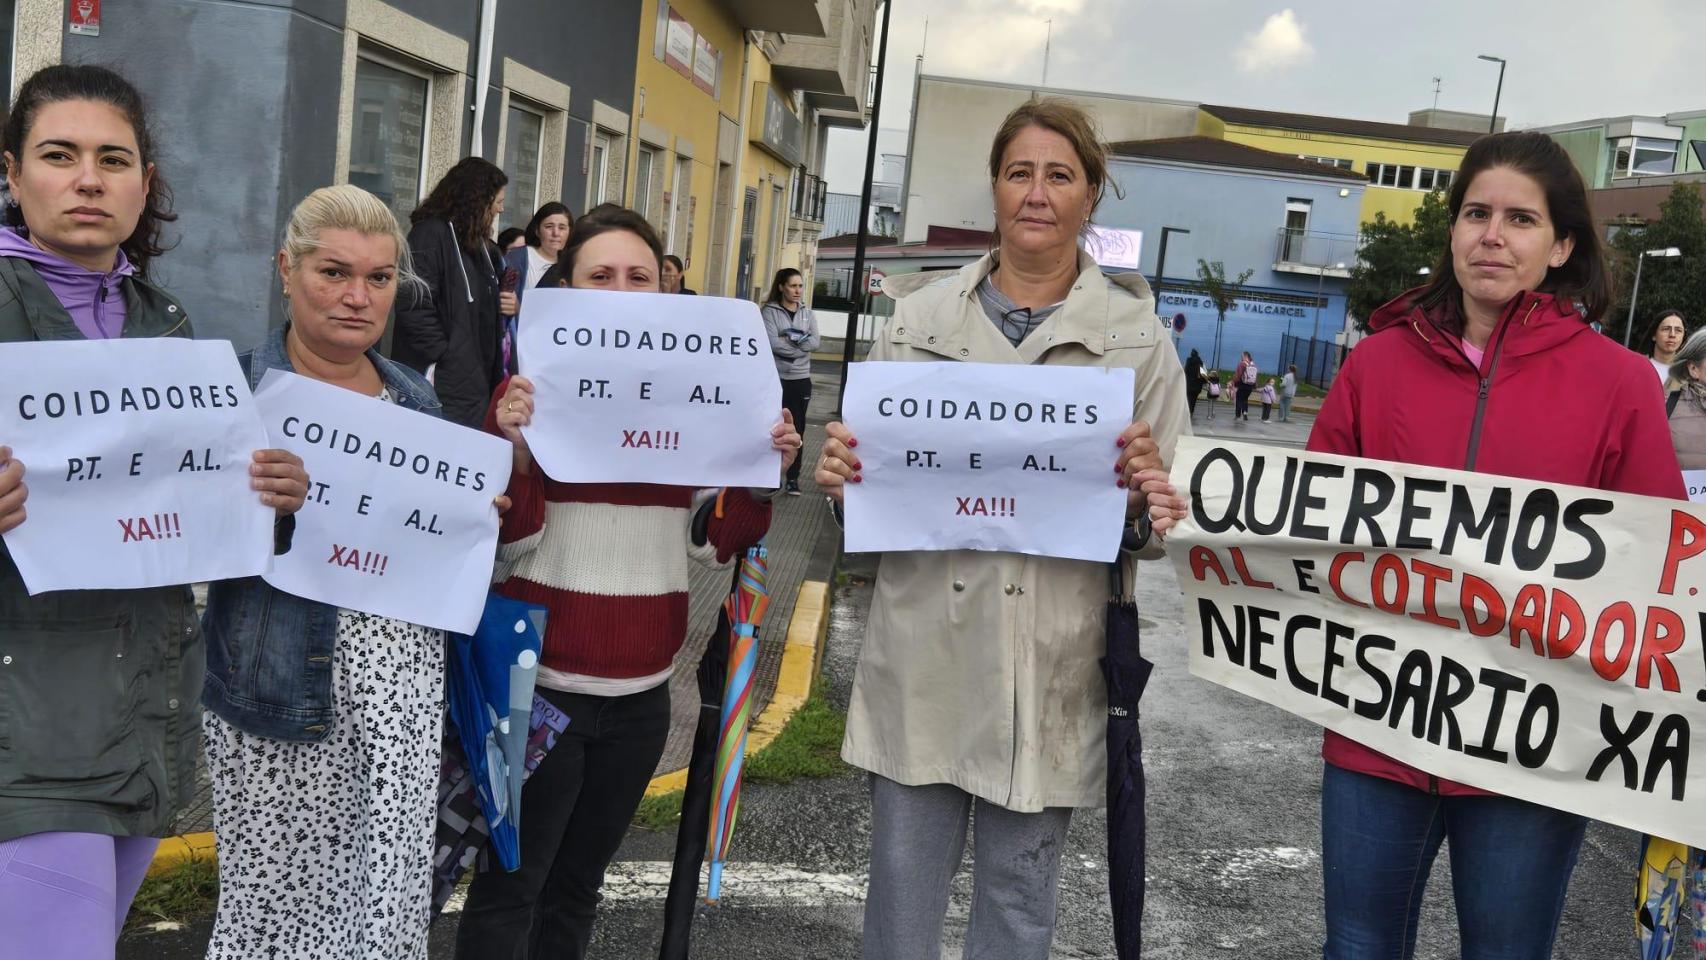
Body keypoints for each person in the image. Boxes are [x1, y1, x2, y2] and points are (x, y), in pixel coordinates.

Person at [815, 98, 1189, 960]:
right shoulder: (916, 322)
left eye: (1060, 175)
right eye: (1020, 172)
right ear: (994, 187)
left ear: (1091, 195)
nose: (1037, 193)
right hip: (925, 656)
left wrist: (1145, 504)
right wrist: (841, 487)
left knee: (1020, 910)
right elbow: (867, 501)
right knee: (899, 907)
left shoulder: (1138, 342)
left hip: (1050, 665)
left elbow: (1161, 519)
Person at [1308, 130, 1685, 958]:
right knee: (1357, 948)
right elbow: (1297, 526)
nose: (1493, 235)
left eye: (1521, 219)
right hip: (1379, 725)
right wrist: (1198, 509)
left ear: (1562, 246)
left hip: (1535, 744)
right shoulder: (1375, 365)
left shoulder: (1622, 383)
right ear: (1451, 230)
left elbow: (1658, 566)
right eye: (1476, 213)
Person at [0, 64, 309, 960]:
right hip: (27, 730)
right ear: (13, 174)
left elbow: (179, 509)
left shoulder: (166, 321)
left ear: (146, 183)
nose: (88, 179)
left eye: (113, 159)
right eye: (59, 155)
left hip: (143, 722)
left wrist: (267, 498)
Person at [454, 205, 802, 959]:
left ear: (664, 290)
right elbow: (501, 546)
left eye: (639, 276)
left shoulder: (696, 397)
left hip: (643, 696)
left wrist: (761, 470)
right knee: (512, 886)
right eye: (600, 275)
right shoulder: (523, 394)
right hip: (538, 688)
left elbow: (718, 543)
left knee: (579, 888)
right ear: (566, 289)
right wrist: (515, 449)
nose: (620, 290)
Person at [198, 184, 485, 959]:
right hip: (279, 692)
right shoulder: (233, 394)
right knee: (273, 921)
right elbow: (186, 547)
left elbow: (435, 544)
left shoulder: (413, 395)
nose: (359, 298)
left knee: (383, 911)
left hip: (403, 696)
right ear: (285, 270)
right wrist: (260, 509)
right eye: (334, 273)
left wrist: (474, 513)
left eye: (379, 278)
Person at [392, 156, 513, 429]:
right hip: (445, 379)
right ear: (477, 200)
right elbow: (414, 305)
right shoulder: (430, 235)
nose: (501, 209)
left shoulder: (478, 243)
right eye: (497, 201)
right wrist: (447, 356)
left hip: (473, 378)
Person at [762, 267, 819, 495]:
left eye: (800, 286)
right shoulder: (769, 312)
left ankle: (793, 478)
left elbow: (815, 342)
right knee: (773, 428)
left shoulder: (808, 314)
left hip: (800, 379)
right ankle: (770, 476)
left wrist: (788, 340)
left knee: (798, 429)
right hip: (776, 378)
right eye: (793, 286)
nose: (797, 290)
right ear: (781, 287)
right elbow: (772, 343)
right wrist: (799, 348)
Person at [500, 202, 572, 373]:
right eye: (549, 226)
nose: (556, 233)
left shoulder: (573, 265)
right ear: (537, 230)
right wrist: (515, 308)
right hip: (520, 349)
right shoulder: (518, 258)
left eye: (562, 227)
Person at [1648, 308, 1687, 388]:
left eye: (1678, 330)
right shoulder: (1636, 365)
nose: (1672, 335)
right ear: (1654, 335)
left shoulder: (1688, 374)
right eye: (1666, 329)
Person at [1232, 350, 1258, 420]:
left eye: (1242, 356)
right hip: (1250, 386)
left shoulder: (1242, 364)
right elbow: (1255, 376)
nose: (1241, 357)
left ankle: (1237, 415)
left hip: (1242, 385)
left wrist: (1233, 382)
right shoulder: (1253, 365)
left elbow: (1238, 375)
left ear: (1245, 356)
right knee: (1245, 400)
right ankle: (1245, 414)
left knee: (1239, 399)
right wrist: (1255, 386)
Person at [1183, 347, 1204, 418]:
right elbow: (1203, 374)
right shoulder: (1200, 362)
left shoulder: (1188, 361)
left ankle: (1188, 411)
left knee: (1188, 398)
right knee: (1194, 399)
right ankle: (1191, 411)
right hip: (1197, 385)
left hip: (1189, 384)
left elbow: (1185, 371)